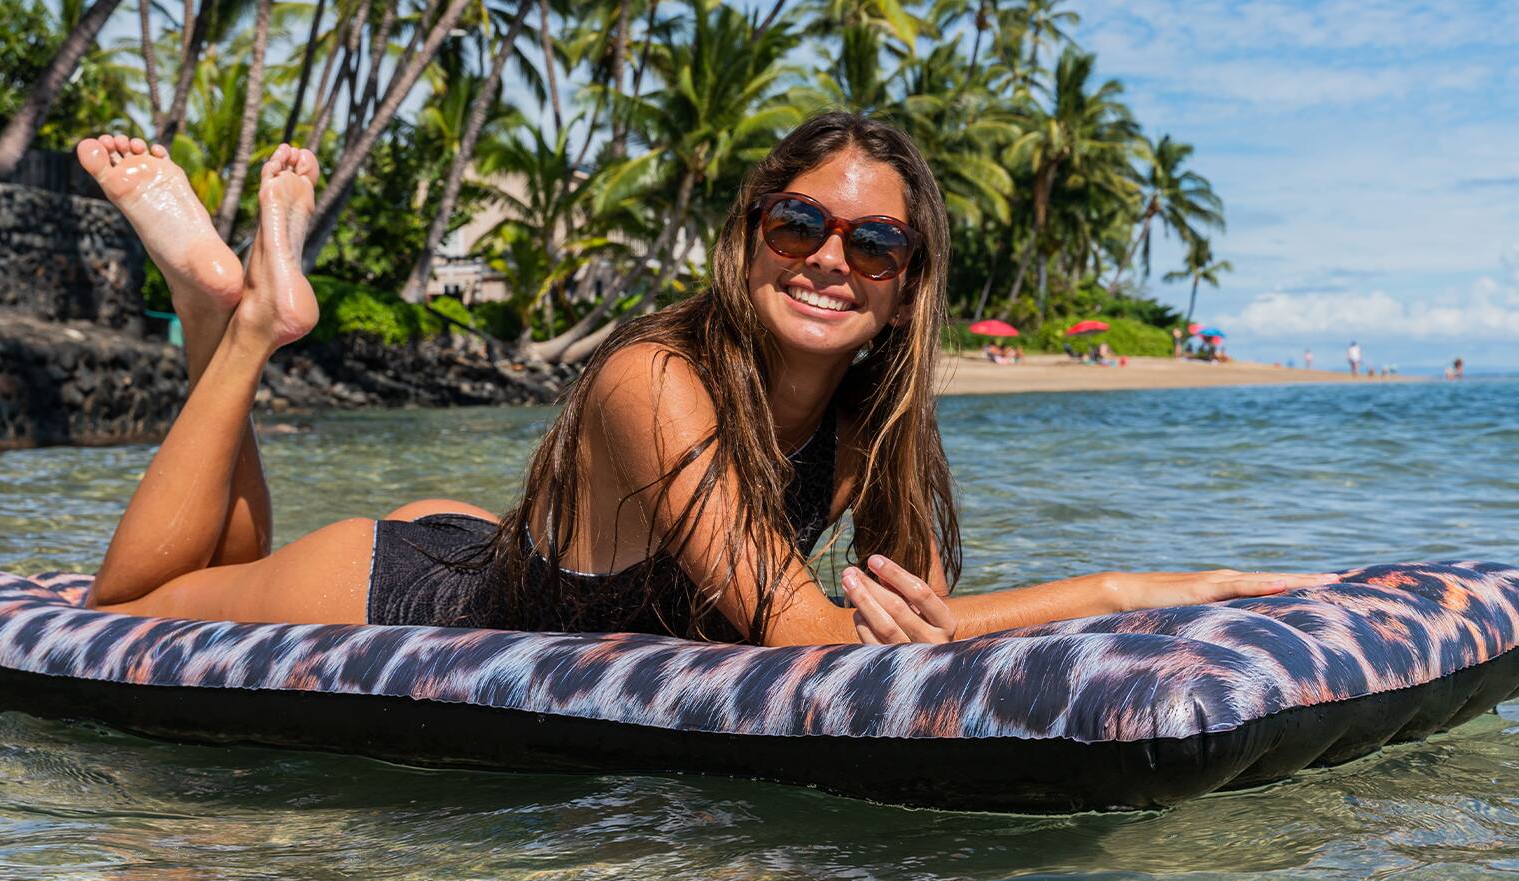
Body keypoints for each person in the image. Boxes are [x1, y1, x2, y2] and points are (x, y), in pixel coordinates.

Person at [75, 116, 1336, 647]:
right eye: (800, 224)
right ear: (749, 235)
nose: (830, 260)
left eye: (875, 244)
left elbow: (908, 625)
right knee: (134, 608)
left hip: (502, 543)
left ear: (908, 283)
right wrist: (1123, 589)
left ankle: (212, 301)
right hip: (411, 595)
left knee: (211, 556)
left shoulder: (871, 416)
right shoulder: (653, 377)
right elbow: (809, 636)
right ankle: (252, 327)